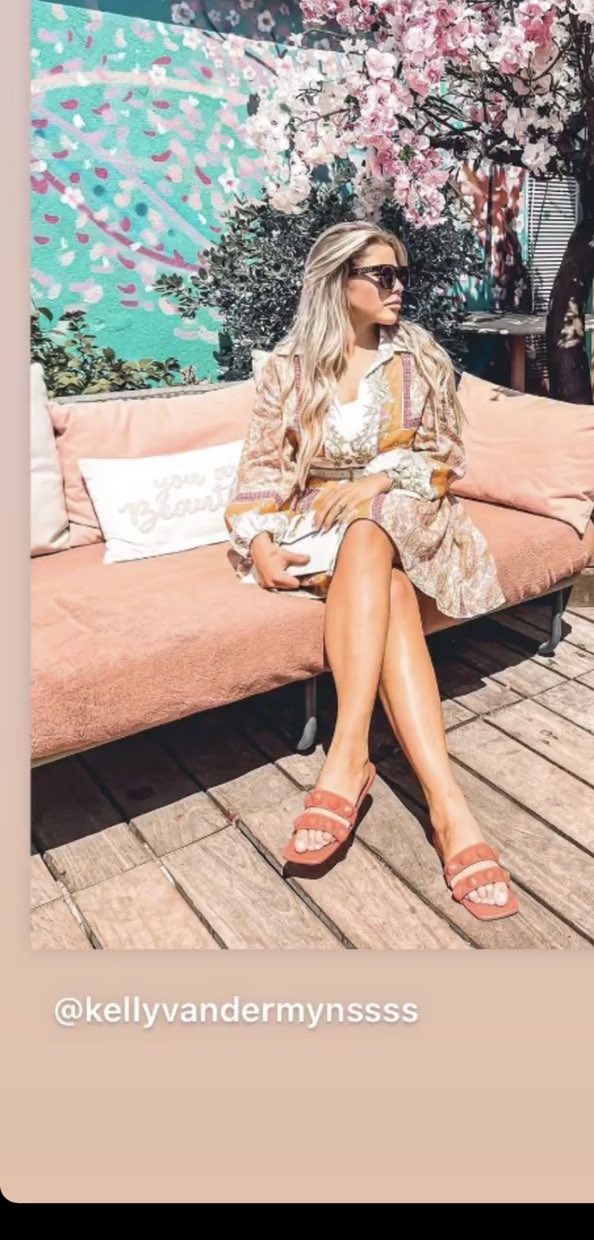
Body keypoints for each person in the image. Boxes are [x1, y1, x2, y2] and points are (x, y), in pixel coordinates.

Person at [224, 220, 519, 922]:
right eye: (382, 275)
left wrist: (379, 481)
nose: (398, 288)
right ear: (338, 283)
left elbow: (446, 455)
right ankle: (449, 808)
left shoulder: (419, 356)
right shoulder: (289, 369)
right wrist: (258, 540)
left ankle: (347, 752)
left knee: (372, 524)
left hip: (407, 509)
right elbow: (262, 464)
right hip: (319, 522)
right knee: (382, 579)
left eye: (401, 275)